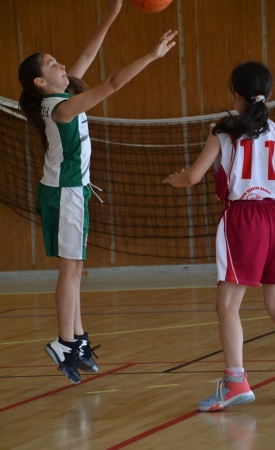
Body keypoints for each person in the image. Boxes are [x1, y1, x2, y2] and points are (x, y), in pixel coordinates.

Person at [18, 0, 177, 384]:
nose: (63, 67)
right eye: (54, 65)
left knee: (75, 269)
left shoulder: (60, 97)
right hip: (66, 192)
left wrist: (112, 13)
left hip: (73, 190)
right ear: (41, 82)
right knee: (70, 271)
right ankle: (64, 342)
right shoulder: (61, 108)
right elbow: (112, 84)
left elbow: (88, 54)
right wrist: (152, 55)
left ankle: (78, 339)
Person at [163, 61, 275, 411]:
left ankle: (236, 381)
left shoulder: (222, 130)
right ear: (267, 94)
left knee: (227, 304)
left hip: (243, 219)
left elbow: (194, 176)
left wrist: (176, 179)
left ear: (235, 96)